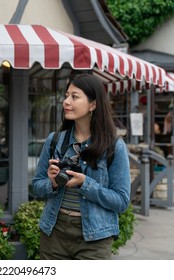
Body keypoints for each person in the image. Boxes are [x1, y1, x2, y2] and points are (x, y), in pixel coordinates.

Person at [32, 74, 131, 260]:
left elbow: (121, 201)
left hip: (95, 238)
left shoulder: (114, 147)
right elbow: (37, 185)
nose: (66, 102)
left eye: (74, 97)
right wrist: (52, 183)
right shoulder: (55, 140)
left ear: (93, 104)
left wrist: (85, 184)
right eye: (66, 95)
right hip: (54, 232)